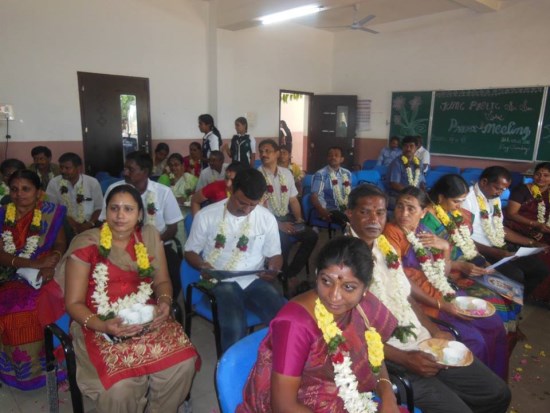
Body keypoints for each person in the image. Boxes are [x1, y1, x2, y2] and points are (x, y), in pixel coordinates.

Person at [345, 184, 511, 413]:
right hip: (388, 356)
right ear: (350, 214)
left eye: (380, 212)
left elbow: (406, 297)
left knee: (497, 393)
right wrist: (405, 359)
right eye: (365, 212)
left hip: (423, 340)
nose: (374, 219)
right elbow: (350, 332)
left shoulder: (384, 249)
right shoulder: (339, 263)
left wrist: (434, 330)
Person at [60, 184, 198, 412]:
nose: (120, 215)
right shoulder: (86, 244)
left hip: (144, 315)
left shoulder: (149, 236)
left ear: (140, 214)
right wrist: (104, 325)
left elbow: (163, 281)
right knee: (121, 386)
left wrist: (164, 301)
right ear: (106, 212)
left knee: (183, 363)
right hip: (97, 322)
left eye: (128, 209)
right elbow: (73, 304)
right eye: (114, 208)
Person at [239, 237, 402, 413]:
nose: (334, 296)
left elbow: (374, 356)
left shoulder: (364, 306)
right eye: (326, 281)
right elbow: (283, 406)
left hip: (349, 400)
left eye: (348, 287)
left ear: (365, 289)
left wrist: (388, 397)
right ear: (316, 274)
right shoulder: (294, 324)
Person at [383, 187, 509, 379]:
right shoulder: (391, 233)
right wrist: (442, 305)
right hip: (422, 302)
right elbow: (401, 282)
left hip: (442, 290)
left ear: (423, 212)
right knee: (475, 341)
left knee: (494, 323)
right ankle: (471, 391)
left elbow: (443, 273)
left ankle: (494, 382)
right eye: (400, 207)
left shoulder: (423, 230)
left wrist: (445, 248)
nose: (403, 213)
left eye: (411, 208)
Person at [185, 169, 287, 353]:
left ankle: (281, 366)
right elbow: (190, 251)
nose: (246, 210)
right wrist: (202, 265)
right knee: (235, 325)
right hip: (219, 281)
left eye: (253, 205)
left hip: (253, 279)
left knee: (284, 317)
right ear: (231, 189)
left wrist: (273, 269)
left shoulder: (266, 218)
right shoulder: (206, 216)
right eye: (242, 202)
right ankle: (231, 372)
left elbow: (275, 255)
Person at [422, 174, 522, 334]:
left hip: (470, 264)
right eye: (456, 201)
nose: (460, 206)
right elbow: (424, 261)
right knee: (495, 304)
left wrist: (483, 262)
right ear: (440, 197)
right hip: (444, 274)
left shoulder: (455, 213)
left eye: (462, 200)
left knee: (512, 292)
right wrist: (460, 266)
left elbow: (467, 243)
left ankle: (507, 337)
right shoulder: (425, 221)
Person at [0, 170, 67, 390]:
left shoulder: (51, 213)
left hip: (44, 271)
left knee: (44, 303)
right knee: (12, 310)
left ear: (38, 193)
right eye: (14, 189)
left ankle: (52, 366)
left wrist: (52, 262)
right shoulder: (2, 215)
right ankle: (16, 371)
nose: (19, 194)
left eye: (26, 189)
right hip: (8, 272)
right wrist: (31, 264)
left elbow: (59, 245)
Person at [101, 151, 184, 299]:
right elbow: (104, 222)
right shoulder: (115, 191)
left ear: (145, 172)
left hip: (159, 246)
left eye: (130, 169)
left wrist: (152, 244)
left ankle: (166, 307)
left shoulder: (163, 192)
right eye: (125, 168)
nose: (125, 172)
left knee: (173, 272)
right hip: (120, 246)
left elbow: (172, 228)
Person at [462, 166, 548, 300]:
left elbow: (500, 229)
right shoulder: (466, 200)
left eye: (504, 189)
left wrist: (532, 242)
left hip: (498, 245)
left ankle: (516, 303)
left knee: (540, 270)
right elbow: (465, 239)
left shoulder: (493, 197)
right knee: (516, 275)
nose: (500, 193)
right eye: (498, 188)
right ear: (484, 182)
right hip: (478, 250)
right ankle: (504, 304)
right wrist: (499, 253)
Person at [257, 139, 318, 296]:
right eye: (261, 151)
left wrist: (299, 219)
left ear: (277, 153)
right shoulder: (257, 175)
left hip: (286, 217)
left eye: (267, 151)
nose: (263, 154)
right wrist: (278, 225)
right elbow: (259, 208)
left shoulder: (286, 174)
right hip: (266, 221)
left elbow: (293, 200)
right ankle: (285, 278)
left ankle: (290, 273)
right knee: (282, 240)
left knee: (311, 235)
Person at [46, 152, 103, 238]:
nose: (63, 171)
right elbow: (52, 207)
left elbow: (99, 207)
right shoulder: (54, 183)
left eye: (67, 168)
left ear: (79, 168)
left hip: (90, 225)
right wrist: (71, 223)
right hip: (64, 225)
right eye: (61, 167)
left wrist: (89, 224)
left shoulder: (92, 182)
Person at [157, 153, 199, 245]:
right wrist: (174, 200)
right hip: (168, 212)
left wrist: (188, 199)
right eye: (171, 165)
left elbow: (196, 196)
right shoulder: (164, 178)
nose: (173, 168)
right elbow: (158, 199)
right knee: (178, 223)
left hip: (186, 210)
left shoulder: (190, 179)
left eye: (176, 165)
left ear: (183, 165)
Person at [505, 162, 550, 244]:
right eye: (538, 174)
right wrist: (535, 224)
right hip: (519, 226)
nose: (541, 178)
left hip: (544, 229)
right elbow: (511, 214)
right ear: (533, 175)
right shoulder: (521, 190)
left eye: (546, 175)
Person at [310, 146, 352, 227]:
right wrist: (322, 211)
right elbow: (314, 196)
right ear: (327, 158)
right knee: (348, 220)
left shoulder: (347, 173)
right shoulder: (321, 174)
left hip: (344, 209)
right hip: (329, 210)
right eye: (330, 155)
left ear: (342, 159)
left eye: (336, 155)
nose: (333, 157)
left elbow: (349, 193)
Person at [388, 136, 425, 208]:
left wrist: (423, 192)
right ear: (402, 148)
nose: (408, 149)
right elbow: (394, 184)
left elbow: (422, 181)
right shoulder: (397, 163)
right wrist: (411, 193)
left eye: (411, 146)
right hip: (399, 195)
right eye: (406, 146)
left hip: (415, 195)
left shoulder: (419, 162)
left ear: (416, 148)